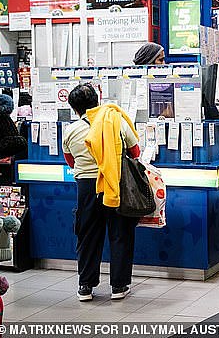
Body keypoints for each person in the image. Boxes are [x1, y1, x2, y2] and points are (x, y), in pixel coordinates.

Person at [62, 84, 141, 302]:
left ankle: (85, 286)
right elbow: (135, 152)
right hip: (115, 183)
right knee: (120, 234)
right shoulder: (116, 121)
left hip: (86, 188)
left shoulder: (71, 130)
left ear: (74, 109)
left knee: (87, 236)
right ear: (98, 100)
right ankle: (119, 286)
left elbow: (70, 160)